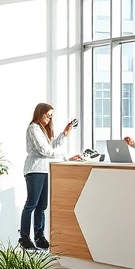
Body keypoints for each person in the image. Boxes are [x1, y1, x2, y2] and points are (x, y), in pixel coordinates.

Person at [21, 103, 82, 250]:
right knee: (31, 204)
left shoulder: (43, 130)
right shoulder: (33, 128)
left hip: (44, 170)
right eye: (48, 114)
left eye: (51, 115)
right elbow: (44, 150)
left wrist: (65, 133)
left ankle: (39, 237)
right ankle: (24, 237)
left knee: (42, 206)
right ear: (40, 113)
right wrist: (66, 158)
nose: (50, 117)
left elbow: (50, 146)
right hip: (34, 170)